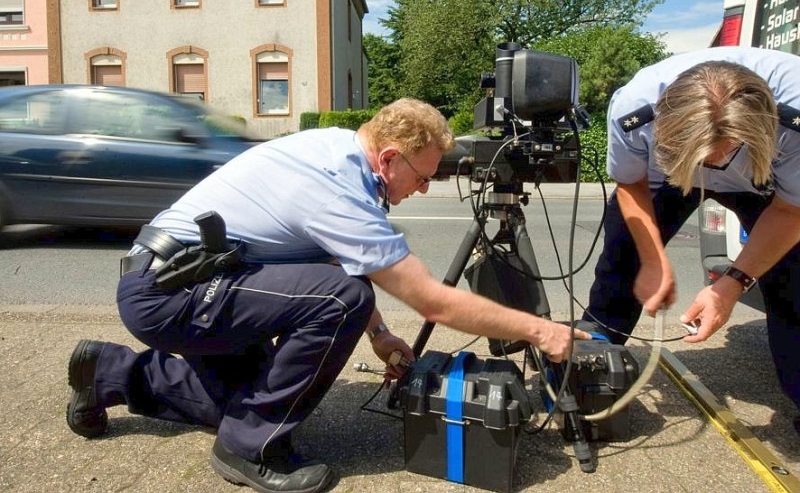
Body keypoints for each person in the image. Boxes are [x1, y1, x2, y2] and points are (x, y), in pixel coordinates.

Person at [66, 98, 589, 493]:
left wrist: (381, 337)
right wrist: (541, 330)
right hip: (174, 293)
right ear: (389, 158)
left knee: (239, 399)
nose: (424, 189)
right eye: (423, 176)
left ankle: (107, 373)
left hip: (183, 280)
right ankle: (249, 449)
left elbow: (337, 261)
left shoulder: (336, 147)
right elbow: (432, 301)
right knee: (339, 301)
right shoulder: (338, 185)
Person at [583, 46, 800, 430]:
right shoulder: (633, 108)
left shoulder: (795, 113)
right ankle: (586, 375)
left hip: (764, 179)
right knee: (619, 267)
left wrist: (731, 285)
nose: (711, 170)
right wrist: (651, 259)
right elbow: (631, 184)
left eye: (724, 153)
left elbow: (791, 211)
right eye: (704, 159)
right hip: (665, 176)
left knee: (793, 281)